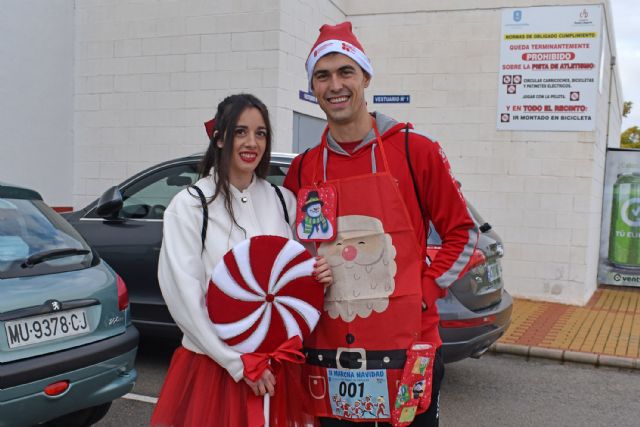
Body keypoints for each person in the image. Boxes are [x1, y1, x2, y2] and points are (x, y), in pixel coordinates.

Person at [283, 22, 478, 426]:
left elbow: (464, 232)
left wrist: (426, 287)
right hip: (331, 353)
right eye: (322, 75)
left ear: (365, 77)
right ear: (313, 88)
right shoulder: (303, 169)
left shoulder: (415, 151)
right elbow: (295, 252)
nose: (335, 84)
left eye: (345, 72)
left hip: (409, 348)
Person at [150, 93, 332, 427]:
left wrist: (317, 272)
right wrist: (236, 363)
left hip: (278, 367)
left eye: (260, 133)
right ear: (219, 138)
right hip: (216, 368)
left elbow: (298, 271)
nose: (252, 142)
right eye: (240, 132)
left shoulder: (282, 199)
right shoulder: (191, 206)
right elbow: (185, 298)